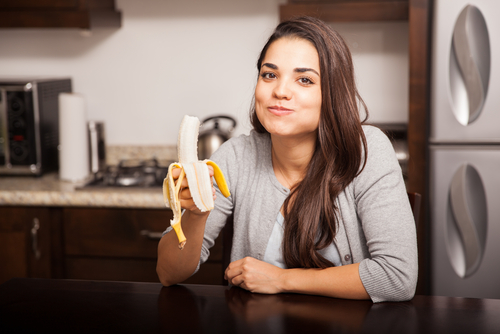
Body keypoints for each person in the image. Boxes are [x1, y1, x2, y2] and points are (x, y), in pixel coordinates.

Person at [157, 16, 418, 303]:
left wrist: (281, 279)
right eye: (269, 75)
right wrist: (196, 214)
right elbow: (169, 274)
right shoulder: (236, 157)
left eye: (304, 80)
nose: (280, 91)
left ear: (332, 93)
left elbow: (397, 278)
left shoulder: (367, 151)